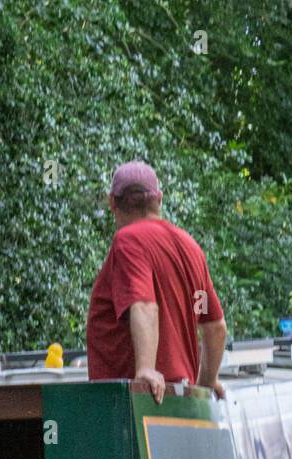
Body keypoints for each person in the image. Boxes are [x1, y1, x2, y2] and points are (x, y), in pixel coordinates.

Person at [85, 161, 227, 402]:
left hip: (135, 403)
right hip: (179, 400)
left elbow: (143, 304)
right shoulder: (190, 247)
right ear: (159, 199)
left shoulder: (129, 241)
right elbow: (214, 326)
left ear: (112, 203)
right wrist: (208, 380)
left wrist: (146, 369)